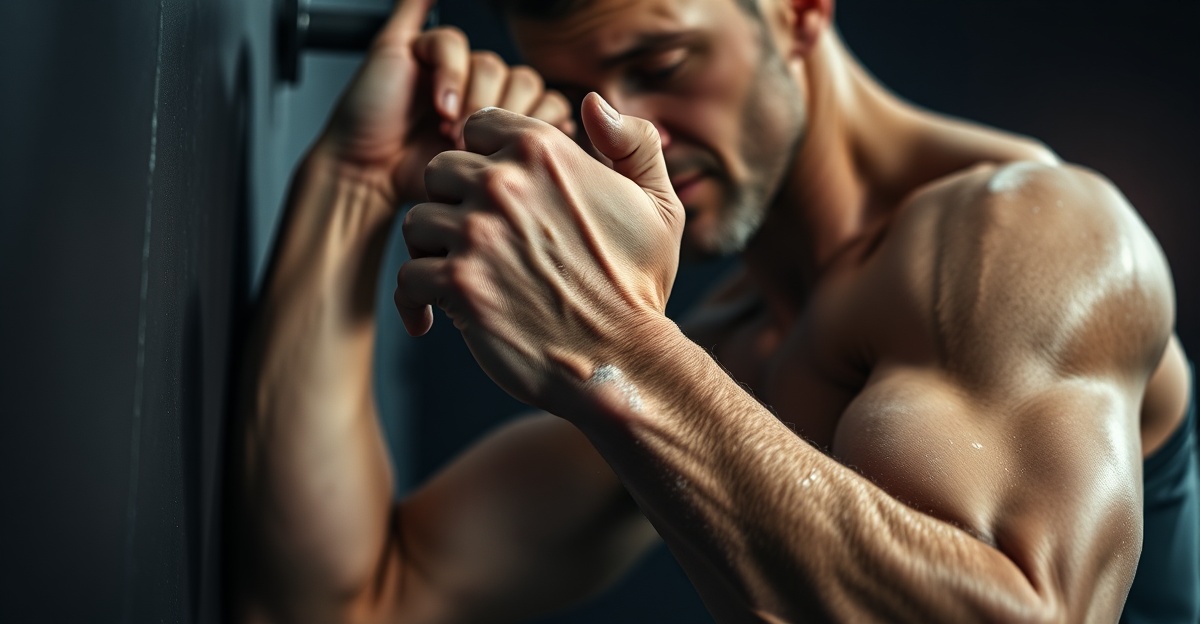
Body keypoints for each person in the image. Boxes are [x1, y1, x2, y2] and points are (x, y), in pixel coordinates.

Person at [228, 0, 1198, 621]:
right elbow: (347, 600)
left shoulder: (1034, 234)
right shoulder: (736, 350)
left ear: (799, 14)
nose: (625, 125)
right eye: (575, 90)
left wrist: (621, 355)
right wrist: (356, 186)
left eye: (662, 62)